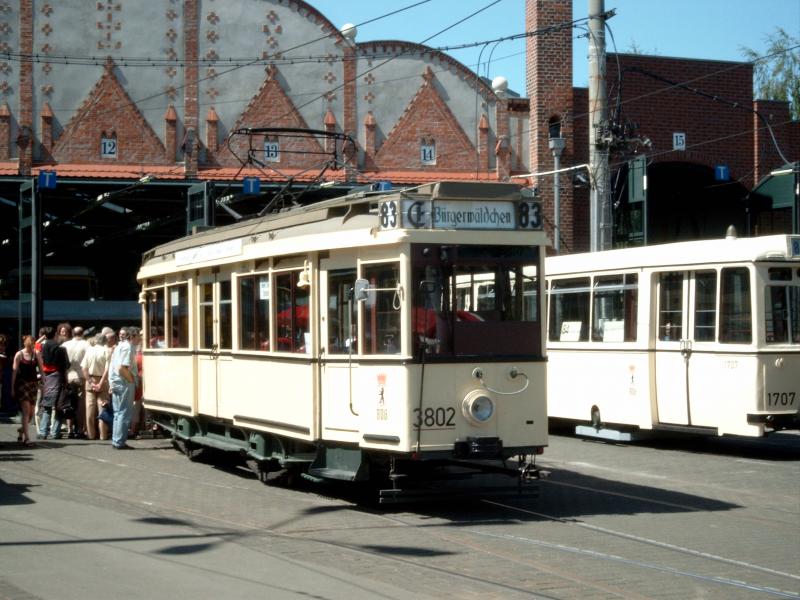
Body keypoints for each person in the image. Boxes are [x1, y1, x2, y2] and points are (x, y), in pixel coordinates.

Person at [109, 326, 140, 449]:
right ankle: (119, 441)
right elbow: (122, 368)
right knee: (124, 412)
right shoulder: (128, 347)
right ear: (132, 336)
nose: (140, 338)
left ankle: (116, 440)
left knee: (118, 412)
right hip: (124, 382)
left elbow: (113, 365)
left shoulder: (119, 346)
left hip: (117, 382)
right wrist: (131, 380)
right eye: (138, 336)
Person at [11, 335, 43, 446]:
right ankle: (27, 438)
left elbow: (42, 370)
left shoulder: (36, 354)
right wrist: (12, 388)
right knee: (26, 410)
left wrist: (44, 382)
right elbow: (14, 372)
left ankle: (21, 430)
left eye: (32, 346)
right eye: (29, 346)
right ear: (25, 344)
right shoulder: (19, 355)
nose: (30, 349)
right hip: (22, 384)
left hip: (33, 384)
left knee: (31, 414)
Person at [38, 326, 69, 439]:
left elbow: (35, 345)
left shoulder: (42, 347)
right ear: (55, 334)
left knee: (47, 406)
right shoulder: (61, 349)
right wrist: (66, 381)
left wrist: (43, 338)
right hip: (58, 377)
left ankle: (42, 432)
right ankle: (55, 432)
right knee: (59, 405)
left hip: (46, 377)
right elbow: (66, 366)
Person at [81, 332, 111, 440]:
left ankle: (91, 434)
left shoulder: (89, 350)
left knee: (90, 409)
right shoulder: (106, 351)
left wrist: (89, 381)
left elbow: (84, 368)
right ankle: (103, 434)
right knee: (103, 407)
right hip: (102, 380)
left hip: (91, 379)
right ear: (105, 341)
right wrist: (101, 382)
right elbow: (107, 369)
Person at [61, 325, 89, 438]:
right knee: (81, 404)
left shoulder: (65, 345)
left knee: (69, 403)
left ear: (72, 334)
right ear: (82, 334)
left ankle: (69, 429)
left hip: (68, 376)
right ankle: (79, 429)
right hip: (81, 376)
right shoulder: (86, 345)